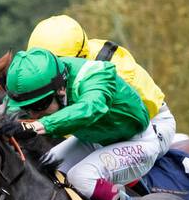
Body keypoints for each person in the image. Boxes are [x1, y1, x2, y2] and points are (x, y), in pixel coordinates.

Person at [5, 47, 172, 200]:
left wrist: (35, 126)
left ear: (61, 89)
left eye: (39, 105)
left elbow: (90, 108)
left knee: (81, 177)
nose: (33, 113)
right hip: (94, 138)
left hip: (137, 142)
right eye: (27, 107)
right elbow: (6, 107)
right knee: (43, 170)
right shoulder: (49, 81)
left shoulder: (96, 74)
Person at [27, 14, 177, 158]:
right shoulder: (75, 59)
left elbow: (86, 114)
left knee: (90, 172)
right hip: (98, 132)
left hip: (149, 127)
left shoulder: (112, 70)